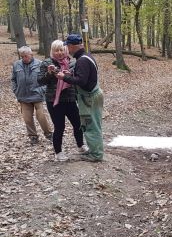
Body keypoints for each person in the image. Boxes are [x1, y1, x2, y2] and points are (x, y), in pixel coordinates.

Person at [56, 34, 104, 162]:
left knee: (91, 125)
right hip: (94, 94)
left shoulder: (82, 60)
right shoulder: (87, 56)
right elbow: (84, 76)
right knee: (93, 124)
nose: (67, 50)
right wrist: (71, 73)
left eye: (68, 47)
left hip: (89, 97)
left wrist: (64, 77)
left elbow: (81, 81)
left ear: (72, 46)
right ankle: (95, 151)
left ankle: (96, 155)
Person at [38, 40, 88, 161]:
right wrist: (50, 73)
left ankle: (80, 145)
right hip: (54, 100)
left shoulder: (72, 62)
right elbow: (40, 81)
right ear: (52, 51)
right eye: (56, 50)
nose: (59, 53)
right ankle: (58, 152)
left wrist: (69, 75)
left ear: (66, 50)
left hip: (70, 99)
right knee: (59, 126)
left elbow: (77, 79)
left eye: (61, 50)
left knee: (77, 124)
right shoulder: (46, 63)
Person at [11, 46, 53, 144]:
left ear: (31, 54)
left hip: (37, 95)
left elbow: (46, 79)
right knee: (27, 118)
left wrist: (42, 90)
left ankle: (49, 134)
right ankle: (33, 136)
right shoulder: (16, 65)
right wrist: (16, 90)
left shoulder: (40, 64)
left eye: (26, 56)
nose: (24, 58)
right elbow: (13, 79)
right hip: (23, 96)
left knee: (41, 116)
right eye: (22, 56)